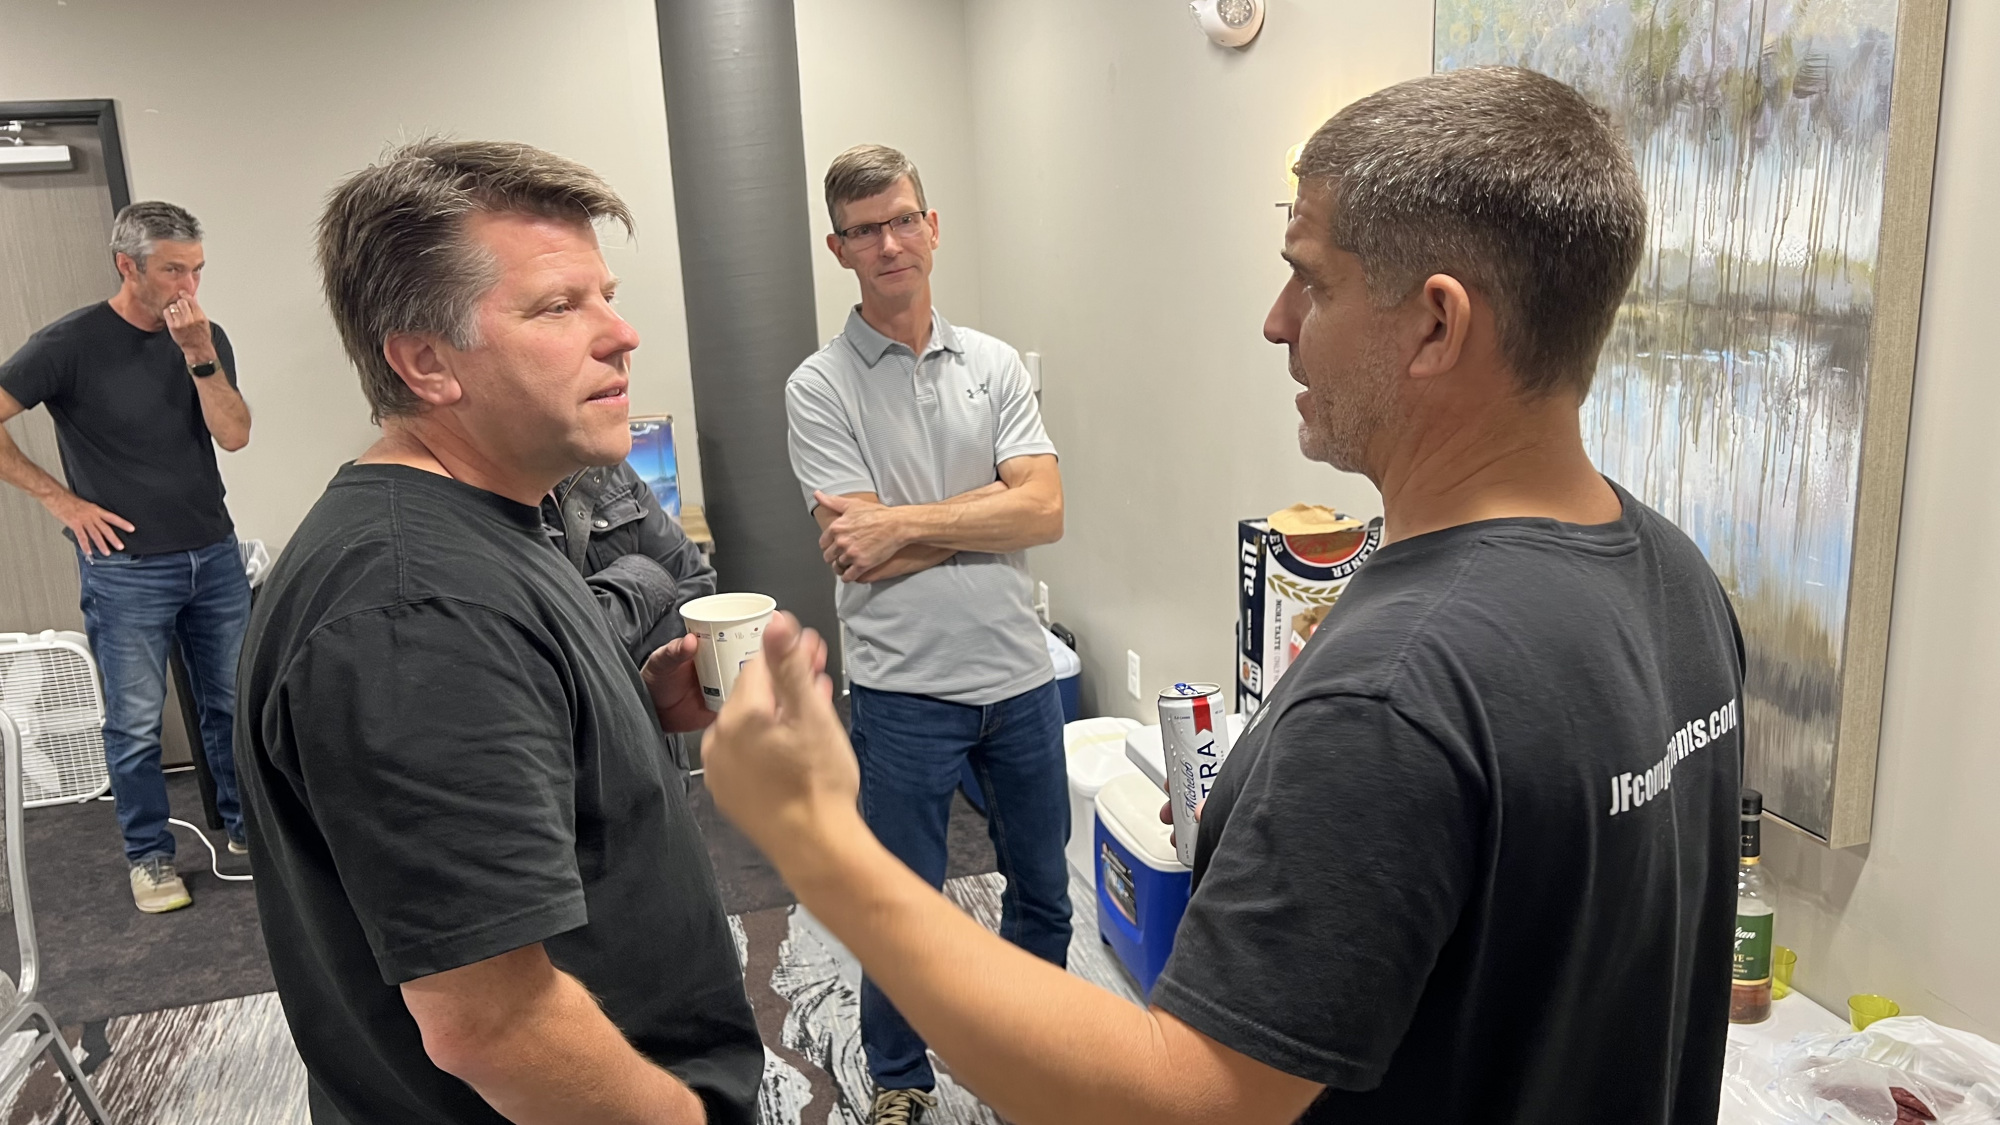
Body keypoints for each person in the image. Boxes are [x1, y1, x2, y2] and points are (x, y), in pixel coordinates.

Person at [707, 67, 1745, 1124]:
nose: (1275, 321)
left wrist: (817, 847)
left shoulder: (1388, 697)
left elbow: (1183, 1104)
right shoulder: (1678, 580)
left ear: (1436, 325)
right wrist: (1280, 817)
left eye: (1310, 282)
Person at [233, 139, 762, 1125]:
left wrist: (624, 713)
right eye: (557, 307)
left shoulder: (489, 525)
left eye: (605, 297)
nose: (621, 334)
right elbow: (495, 1026)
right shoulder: (416, 611)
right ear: (425, 362)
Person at [785, 143, 1069, 1124]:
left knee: (1044, 889)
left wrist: (905, 523)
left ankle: (1034, 1056)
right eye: (864, 230)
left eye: (903, 219)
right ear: (838, 248)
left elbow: (1043, 511)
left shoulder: (992, 363)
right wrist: (985, 511)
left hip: (1019, 677)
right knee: (902, 907)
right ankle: (900, 1079)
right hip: (902, 690)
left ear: (932, 226)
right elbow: (854, 553)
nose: (889, 243)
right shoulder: (818, 386)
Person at [0, 201, 254, 915]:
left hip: (213, 551)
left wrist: (199, 355)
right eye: (173, 270)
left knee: (233, 702)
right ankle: (150, 856)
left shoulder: (204, 336)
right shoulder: (69, 343)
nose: (188, 287)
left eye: (197, 270)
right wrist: (61, 502)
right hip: (127, 568)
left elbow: (235, 434)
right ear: (127, 266)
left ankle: (245, 829)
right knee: (137, 721)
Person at [540, 460, 714, 668]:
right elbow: (549, 654)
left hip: (651, 686)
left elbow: (695, 582)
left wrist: (628, 665)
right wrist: (644, 579)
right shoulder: (506, 515)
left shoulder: (608, 469)